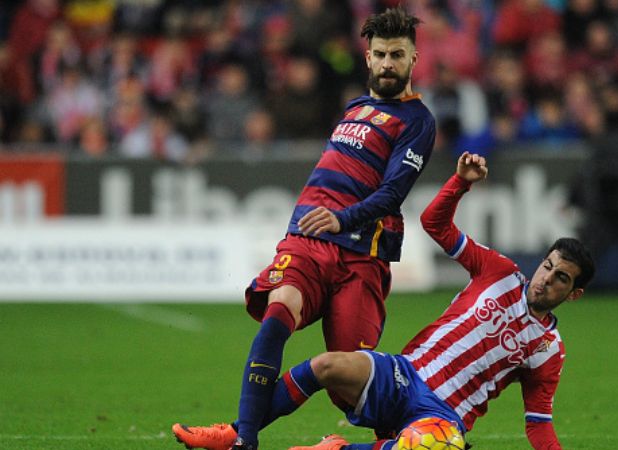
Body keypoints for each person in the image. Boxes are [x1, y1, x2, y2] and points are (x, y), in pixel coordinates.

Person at [191, 152, 594, 450]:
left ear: (573, 294)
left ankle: (337, 449)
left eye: (560, 279)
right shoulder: (500, 272)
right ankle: (238, 432)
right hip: (404, 375)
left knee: (437, 446)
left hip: (442, 416)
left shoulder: (547, 351)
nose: (546, 280)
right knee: (327, 365)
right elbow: (435, 223)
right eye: (547, 266)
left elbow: (538, 424)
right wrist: (460, 184)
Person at [172, 7, 435, 450]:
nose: (388, 62)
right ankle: (243, 439)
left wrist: (342, 217)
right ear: (367, 58)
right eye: (380, 54)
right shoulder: (355, 107)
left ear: (413, 58)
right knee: (278, 315)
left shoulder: (418, 121)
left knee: (348, 379)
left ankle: (398, 438)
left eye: (397, 54)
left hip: (360, 256)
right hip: (308, 241)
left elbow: (393, 193)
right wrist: (323, 217)